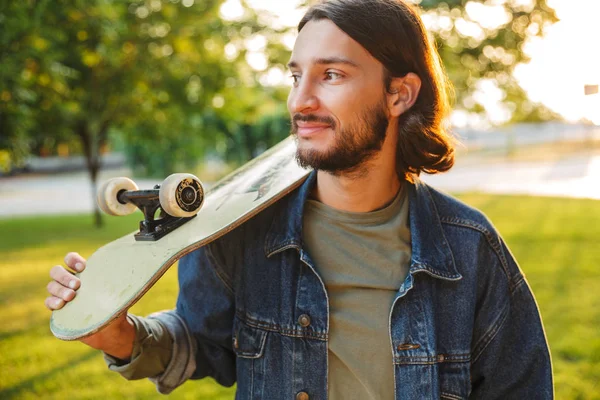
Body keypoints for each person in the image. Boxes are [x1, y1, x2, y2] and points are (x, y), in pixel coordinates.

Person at [45, 0, 553, 398]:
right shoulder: (238, 228)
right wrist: (119, 336)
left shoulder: (469, 250)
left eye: (331, 75)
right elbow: (204, 345)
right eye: (296, 76)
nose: (300, 101)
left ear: (399, 94)